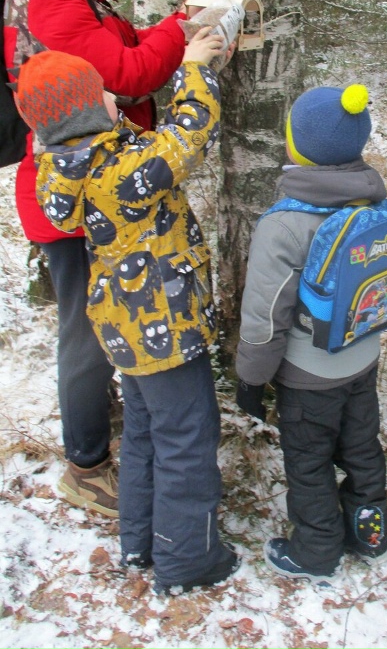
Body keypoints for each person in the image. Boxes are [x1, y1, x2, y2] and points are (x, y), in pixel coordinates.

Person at [10, 29, 238, 595]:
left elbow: (134, 143)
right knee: (186, 434)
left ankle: (140, 543)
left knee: (142, 432)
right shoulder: (122, 172)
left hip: (122, 325)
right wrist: (193, 66)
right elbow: (189, 134)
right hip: (165, 324)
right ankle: (189, 559)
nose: (118, 96)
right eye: (105, 93)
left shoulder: (70, 166)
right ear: (90, 111)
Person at [0, 0, 188, 516]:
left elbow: (126, 53)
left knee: (96, 320)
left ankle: (100, 434)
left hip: (91, 188)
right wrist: (183, 31)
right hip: (78, 194)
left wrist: (162, 34)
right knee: (84, 327)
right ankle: (85, 466)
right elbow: (127, 73)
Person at [235, 84, 387, 582]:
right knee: (363, 447)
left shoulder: (284, 226)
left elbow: (265, 317)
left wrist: (251, 380)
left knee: (309, 462)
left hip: (307, 376)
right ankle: (371, 531)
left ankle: (317, 551)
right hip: (362, 361)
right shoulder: (372, 199)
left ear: (296, 145)